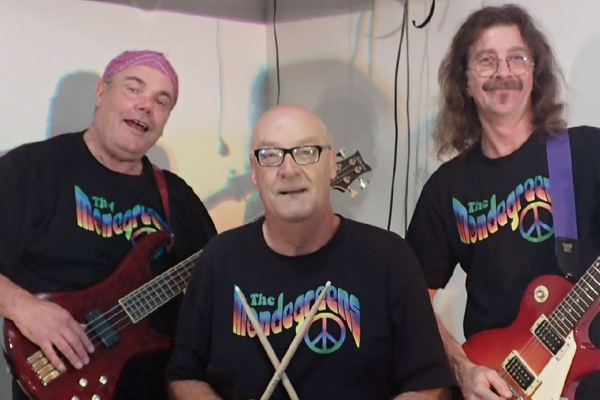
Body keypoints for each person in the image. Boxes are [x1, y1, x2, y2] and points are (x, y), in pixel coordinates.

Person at [166, 104, 454, 400]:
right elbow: (184, 375)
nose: (288, 170)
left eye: (306, 152)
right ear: (254, 170)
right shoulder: (219, 258)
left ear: (332, 163)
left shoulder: (389, 258)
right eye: (270, 155)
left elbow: (428, 385)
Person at [406, 4, 600, 400]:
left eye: (516, 58)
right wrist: (463, 369)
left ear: (535, 73)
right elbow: (412, 300)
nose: (503, 72)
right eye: (486, 61)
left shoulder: (587, 151)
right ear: (465, 82)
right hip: (497, 382)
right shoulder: (447, 188)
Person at [0, 50, 217, 400]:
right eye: (134, 89)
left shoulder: (176, 196)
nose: (146, 106)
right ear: (101, 92)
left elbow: (219, 280)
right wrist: (24, 308)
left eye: (161, 101)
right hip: (61, 383)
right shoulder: (33, 169)